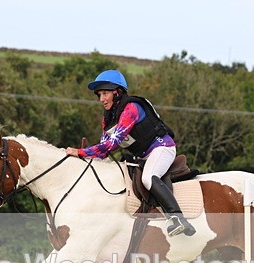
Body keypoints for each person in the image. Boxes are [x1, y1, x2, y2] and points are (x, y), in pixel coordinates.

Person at [65, 70, 196, 237]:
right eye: (99, 95)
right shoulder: (108, 117)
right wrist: (83, 158)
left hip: (162, 148)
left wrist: (80, 152)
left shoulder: (131, 109)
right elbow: (103, 151)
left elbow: (111, 144)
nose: (101, 99)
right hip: (142, 155)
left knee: (148, 178)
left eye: (105, 93)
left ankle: (177, 218)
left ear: (117, 92)